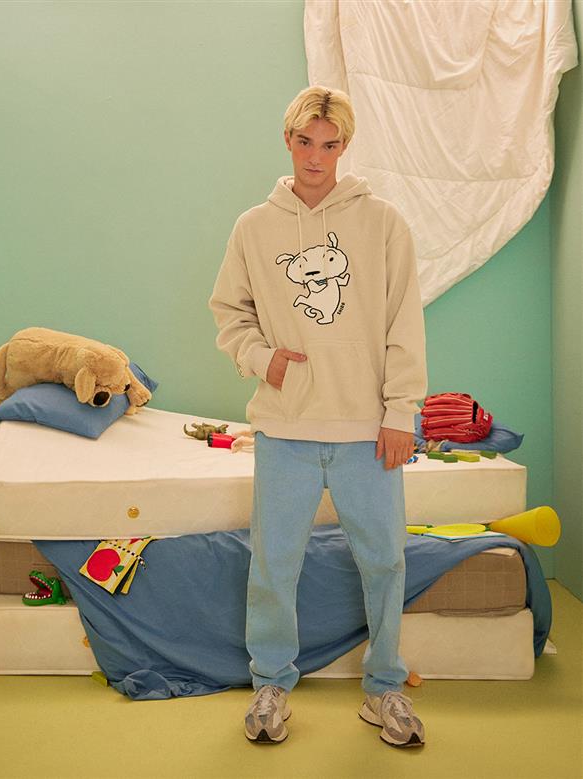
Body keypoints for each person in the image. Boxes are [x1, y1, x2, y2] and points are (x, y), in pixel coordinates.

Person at [208, 85, 427, 748]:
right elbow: (229, 312)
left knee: (385, 561)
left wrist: (401, 411)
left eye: (329, 145)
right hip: (285, 429)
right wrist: (262, 357)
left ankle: (384, 688)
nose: (315, 157)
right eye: (305, 142)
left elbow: (404, 322)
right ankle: (271, 684)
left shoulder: (382, 223)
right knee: (274, 565)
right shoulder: (254, 228)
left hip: (366, 430)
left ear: (344, 146)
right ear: (288, 140)